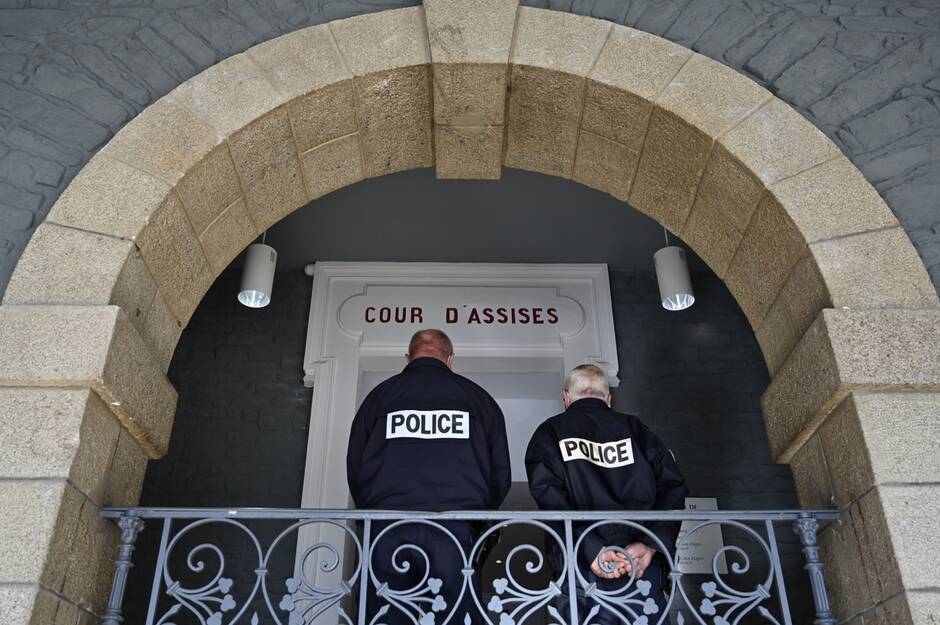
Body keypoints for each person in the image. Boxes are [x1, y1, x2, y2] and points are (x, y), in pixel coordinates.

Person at [347, 329, 511, 625]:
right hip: (455, 532)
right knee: (457, 616)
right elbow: (500, 475)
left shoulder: (379, 398)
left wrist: (370, 510)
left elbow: (355, 467)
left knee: (385, 616)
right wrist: (478, 514)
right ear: (450, 359)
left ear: (408, 358)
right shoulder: (478, 399)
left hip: (388, 529)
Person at [525, 364, 688, 623]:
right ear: (608, 399)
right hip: (639, 565)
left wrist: (592, 548)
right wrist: (649, 545)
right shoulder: (637, 430)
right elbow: (673, 487)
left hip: (580, 563)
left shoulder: (550, 432)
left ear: (566, 397)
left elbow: (548, 496)